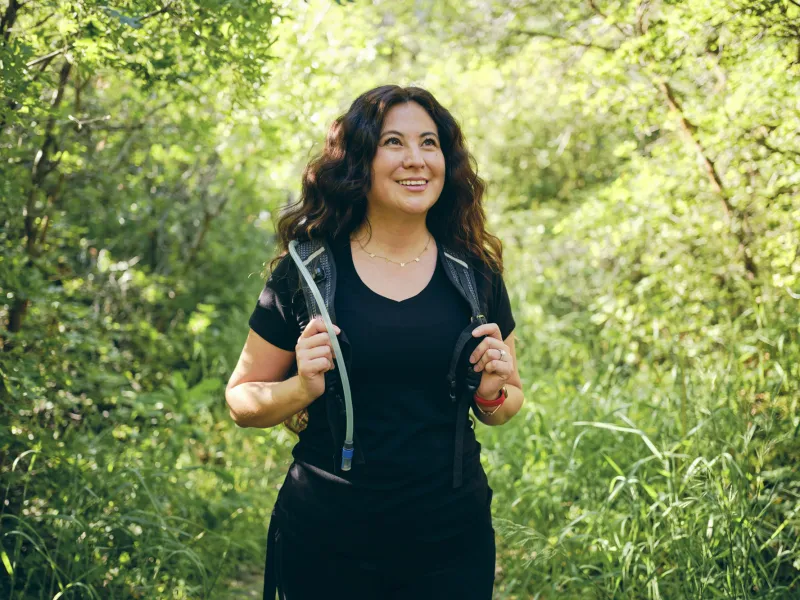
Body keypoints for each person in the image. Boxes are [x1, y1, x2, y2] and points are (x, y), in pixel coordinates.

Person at [226, 84, 524, 600]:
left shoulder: (475, 273)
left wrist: (493, 391)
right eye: (394, 143)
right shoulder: (308, 273)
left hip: (450, 542)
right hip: (327, 540)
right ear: (360, 160)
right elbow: (241, 400)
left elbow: (505, 404)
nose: (416, 160)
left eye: (429, 143)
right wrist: (300, 388)